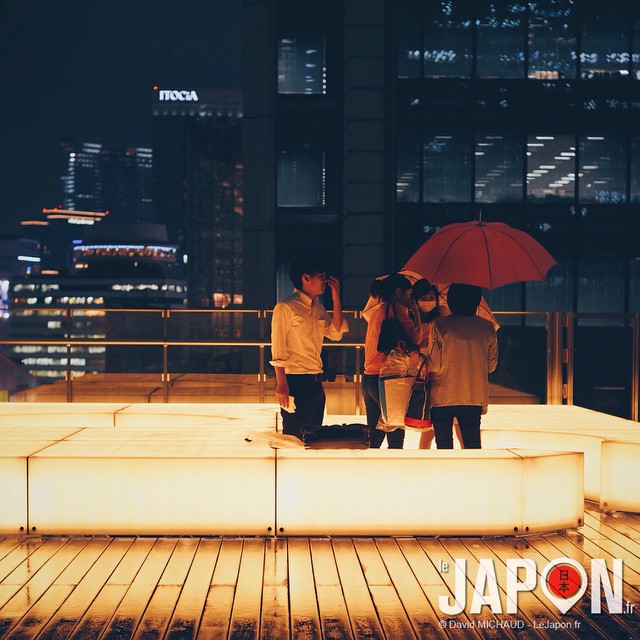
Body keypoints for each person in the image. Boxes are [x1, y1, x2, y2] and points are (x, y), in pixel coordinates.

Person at [270, 254, 348, 441]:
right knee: (295, 438)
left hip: (315, 380)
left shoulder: (317, 308)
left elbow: (336, 333)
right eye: (321, 276)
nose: (325, 280)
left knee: (314, 438)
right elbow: (278, 347)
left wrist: (336, 299)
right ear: (306, 278)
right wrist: (282, 384)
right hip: (294, 380)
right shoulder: (286, 307)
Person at [428, 283, 498, 449]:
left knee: (444, 447)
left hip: (442, 395)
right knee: (472, 445)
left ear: (451, 301)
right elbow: (491, 366)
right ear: (477, 301)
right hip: (473, 395)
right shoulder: (487, 327)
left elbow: (434, 365)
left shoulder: (440, 326)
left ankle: (447, 474)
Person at [362, 273, 422, 449]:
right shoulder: (397, 310)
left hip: (369, 378)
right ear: (398, 292)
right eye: (409, 295)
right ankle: (395, 473)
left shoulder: (378, 311)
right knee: (395, 434)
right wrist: (416, 311)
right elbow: (417, 337)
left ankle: (372, 472)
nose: (410, 299)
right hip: (388, 378)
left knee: (375, 435)